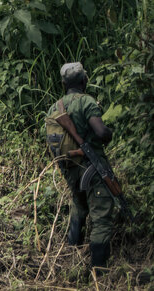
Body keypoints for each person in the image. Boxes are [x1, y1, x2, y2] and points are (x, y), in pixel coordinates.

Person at [48, 62, 116, 269]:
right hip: (92, 167)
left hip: (70, 168)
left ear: (63, 84)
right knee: (102, 215)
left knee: (78, 209)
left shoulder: (55, 107)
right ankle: (99, 271)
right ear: (84, 80)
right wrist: (109, 133)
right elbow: (101, 132)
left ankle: (72, 260)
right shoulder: (86, 102)